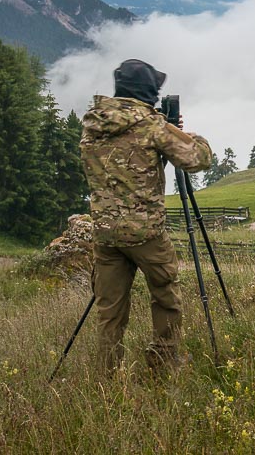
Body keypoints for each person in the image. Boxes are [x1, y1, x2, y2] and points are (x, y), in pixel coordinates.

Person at [80, 59, 213, 372]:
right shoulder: (152, 126)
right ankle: (163, 364)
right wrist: (181, 133)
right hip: (146, 234)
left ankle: (106, 374)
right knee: (166, 295)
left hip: (105, 233)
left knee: (110, 309)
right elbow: (199, 159)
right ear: (149, 93)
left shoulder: (93, 124)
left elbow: (127, 161)